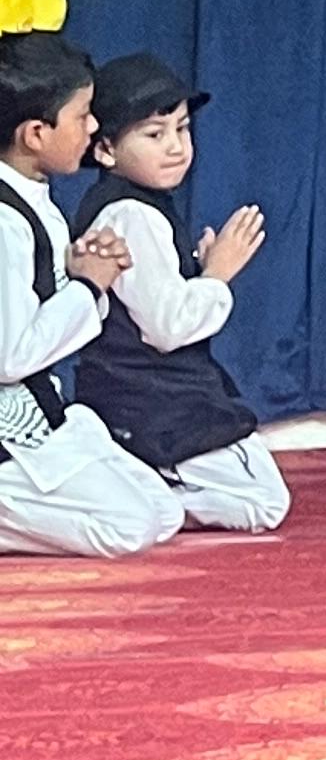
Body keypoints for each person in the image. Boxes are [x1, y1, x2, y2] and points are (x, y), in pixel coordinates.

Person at [62, 54, 288, 532]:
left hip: (152, 396)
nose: (175, 147)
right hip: (151, 399)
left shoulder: (136, 208)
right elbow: (167, 329)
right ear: (105, 149)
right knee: (264, 504)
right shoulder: (132, 215)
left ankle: (139, 481)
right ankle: (144, 486)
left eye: (182, 129)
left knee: (260, 487)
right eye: (154, 134)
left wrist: (200, 273)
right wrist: (217, 275)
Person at [0, 33, 182, 559]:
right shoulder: (5, 222)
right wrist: (88, 284)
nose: (94, 127)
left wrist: (83, 273)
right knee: (126, 527)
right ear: (36, 134)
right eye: (82, 116)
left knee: (164, 512)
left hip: (44, 411)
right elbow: (10, 356)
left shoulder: (36, 200)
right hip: (11, 428)